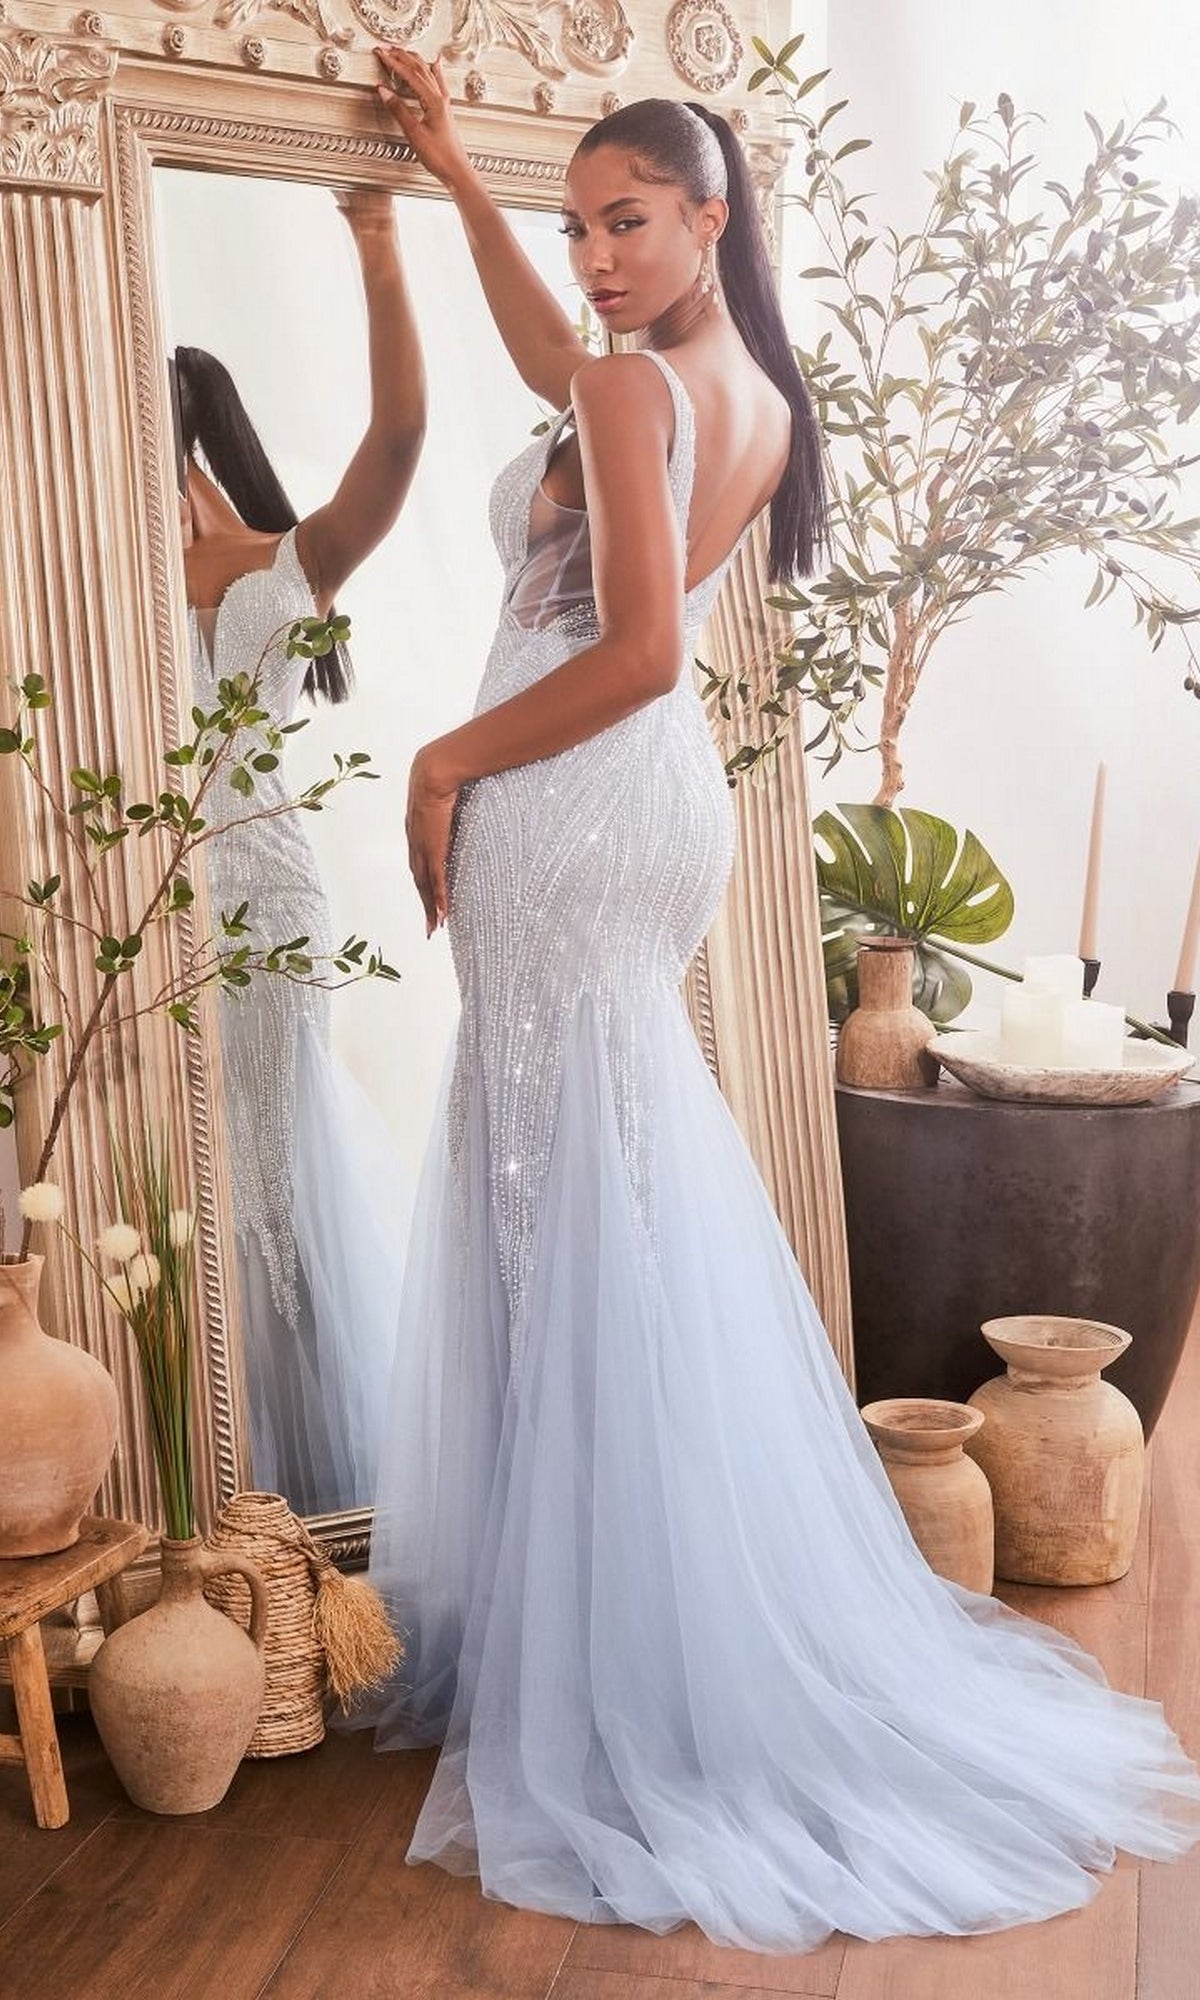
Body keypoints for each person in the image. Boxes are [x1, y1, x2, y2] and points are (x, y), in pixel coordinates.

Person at [357, 59, 1200, 1952]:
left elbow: (644, 650)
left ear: (708, 218)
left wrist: (441, 760)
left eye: (623, 224)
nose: (594, 259)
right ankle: (645, 1613)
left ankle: (613, 1660)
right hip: (640, 818)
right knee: (614, 1197)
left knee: (558, 1200)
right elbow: (561, 365)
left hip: (564, 794)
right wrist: (455, 180)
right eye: (577, 228)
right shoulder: (732, 385)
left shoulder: (638, 387)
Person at [179, 188, 425, 1515]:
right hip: (135, 911)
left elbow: (397, 441)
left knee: (275, 1180)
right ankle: (188, 1479)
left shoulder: (284, 563)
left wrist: (378, 245)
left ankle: (311, 1500)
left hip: (268, 900)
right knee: (164, 1172)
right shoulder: (69, 562)